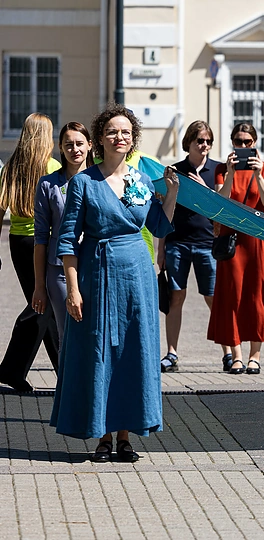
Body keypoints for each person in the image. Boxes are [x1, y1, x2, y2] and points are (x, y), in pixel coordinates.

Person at [50, 104, 179, 462]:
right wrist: (73, 290)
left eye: (125, 132)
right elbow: (67, 242)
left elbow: (159, 226)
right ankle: (103, 436)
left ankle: (125, 437)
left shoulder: (141, 180)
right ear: (100, 140)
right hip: (97, 275)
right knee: (99, 352)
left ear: (133, 139)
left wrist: (171, 194)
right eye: (112, 132)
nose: (119, 137)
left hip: (137, 278)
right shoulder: (83, 182)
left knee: (133, 353)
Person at [158, 121, 232, 373]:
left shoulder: (218, 170)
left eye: (208, 141)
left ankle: (228, 353)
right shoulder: (175, 171)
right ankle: (171, 353)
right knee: (175, 297)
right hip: (177, 243)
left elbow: (222, 209)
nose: (204, 145)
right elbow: (166, 212)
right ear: (188, 142)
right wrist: (161, 250)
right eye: (200, 140)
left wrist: (204, 189)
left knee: (212, 298)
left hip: (207, 245)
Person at [208, 123, 264, 375]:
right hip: (231, 240)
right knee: (232, 297)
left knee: (256, 297)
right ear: (232, 143)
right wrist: (229, 173)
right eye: (238, 142)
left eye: (247, 142)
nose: (242, 147)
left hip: (259, 240)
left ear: (254, 143)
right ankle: (237, 356)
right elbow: (220, 201)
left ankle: (255, 356)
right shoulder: (221, 169)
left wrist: (258, 175)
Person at [0, 113, 62, 392]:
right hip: (43, 243)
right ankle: (12, 369)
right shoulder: (52, 167)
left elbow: (0, 209)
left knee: (43, 307)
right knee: (43, 305)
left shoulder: (10, 167)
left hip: (18, 243)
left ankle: (61, 371)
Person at [32, 122, 94, 342]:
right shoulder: (48, 184)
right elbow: (40, 238)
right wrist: (39, 286)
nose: (74, 149)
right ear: (60, 147)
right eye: (68, 145)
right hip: (58, 270)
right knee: (67, 334)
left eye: (79, 143)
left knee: (95, 333)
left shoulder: (102, 180)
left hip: (94, 264)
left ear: (89, 145)